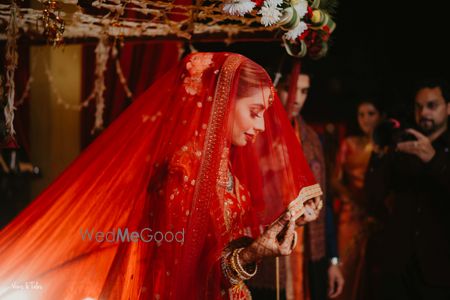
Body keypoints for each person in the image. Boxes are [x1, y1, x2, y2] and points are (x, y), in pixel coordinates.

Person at [0, 52, 323, 300]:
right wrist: (253, 254)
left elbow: (221, 246)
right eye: (254, 112)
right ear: (221, 104)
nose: (262, 127)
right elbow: (180, 269)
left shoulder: (224, 168)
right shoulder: (183, 172)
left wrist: (271, 233)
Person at [249, 69, 344, 300]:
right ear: (274, 88)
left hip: (308, 251)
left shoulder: (312, 138)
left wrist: (332, 259)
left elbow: (326, 204)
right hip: (267, 249)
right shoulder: (253, 135)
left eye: (304, 91)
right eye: (289, 89)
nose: (297, 98)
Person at [365, 78, 450, 300]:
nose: (424, 113)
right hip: (399, 271)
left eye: (432, 106)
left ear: (448, 108)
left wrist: (434, 159)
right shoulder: (403, 145)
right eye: (419, 106)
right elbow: (373, 196)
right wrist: (378, 154)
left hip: (440, 273)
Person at [331, 97, 382, 300]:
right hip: (351, 215)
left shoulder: (388, 146)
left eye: (371, 114)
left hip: (377, 216)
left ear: (381, 116)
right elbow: (334, 180)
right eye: (361, 114)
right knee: (347, 270)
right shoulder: (349, 144)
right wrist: (351, 197)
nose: (365, 119)